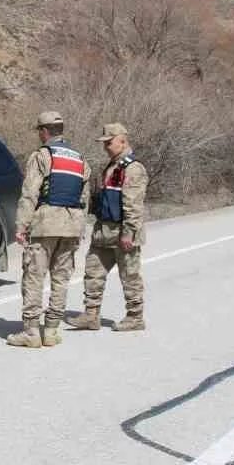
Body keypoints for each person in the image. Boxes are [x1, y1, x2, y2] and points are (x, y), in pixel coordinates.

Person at [8, 110, 91, 348]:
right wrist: (80, 226)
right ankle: (52, 330)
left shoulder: (41, 156)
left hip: (46, 223)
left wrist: (21, 226)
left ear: (44, 132)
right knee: (61, 279)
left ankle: (32, 331)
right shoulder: (80, 159)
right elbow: (85, 197)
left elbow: (30, 193)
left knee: (34, 276)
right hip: (72, 224)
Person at [71, 123, 149, 332]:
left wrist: (128, 233)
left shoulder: (133, 168)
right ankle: (91, 315)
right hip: (104, 231)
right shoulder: (112, 166)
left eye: (109, 142)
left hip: (122, 232)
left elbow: (133, 205)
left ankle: (135, 316)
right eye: (104, 143)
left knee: (129, 275)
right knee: (93, 271)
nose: (105, 146)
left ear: (122, 141)